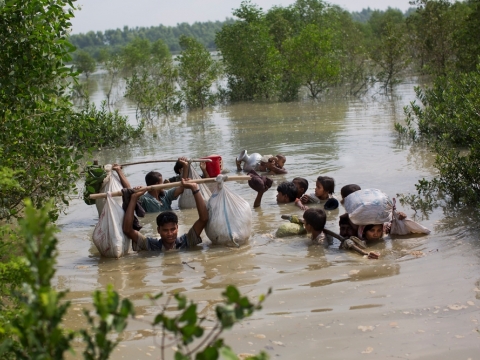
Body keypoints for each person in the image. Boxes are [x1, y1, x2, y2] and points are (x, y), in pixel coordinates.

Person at [122, 178, 209, 251]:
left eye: (172, 229)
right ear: (158, 230)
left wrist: (195, 189)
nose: (170, 234)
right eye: (165, 230)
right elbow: (128, 230)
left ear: (177, 228)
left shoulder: (186, 241)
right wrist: (134, 198)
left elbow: (204, 219)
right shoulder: (151, 245)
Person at [113, 157, 189, 213]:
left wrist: (185, 166)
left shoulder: (166, 195)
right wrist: (119, 171)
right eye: (161, 183)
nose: (163, 185)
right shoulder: (145, 199)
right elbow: (129, 191)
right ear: (156, 185)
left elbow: (182, 188)